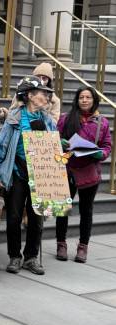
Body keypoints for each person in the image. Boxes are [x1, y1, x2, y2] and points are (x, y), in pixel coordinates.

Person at [0, 76, 57, 276]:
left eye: (47, 93)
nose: (46, 96)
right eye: (42, 93)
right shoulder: (14, 118)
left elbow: (53, 147)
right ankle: (14, 256)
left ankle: (31, 257)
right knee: (13, 216)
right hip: (17, 172)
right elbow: (0, 146)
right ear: (29, 96)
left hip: (40, 175)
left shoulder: (47, 120)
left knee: (37, 218)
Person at [56, 86, 112, 263]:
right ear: (77, 100)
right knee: (62, 210)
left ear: (94, 100)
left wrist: (100, 154)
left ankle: (83, 247)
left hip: (89, 172)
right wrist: (60, 142)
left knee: (86, 211)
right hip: (67, 169)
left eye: (88, 97)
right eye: (81, 97)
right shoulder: (65, 118)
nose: (85, 100)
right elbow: (53, 138)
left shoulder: (102, 122)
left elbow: (107, 146)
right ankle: (61, 244)